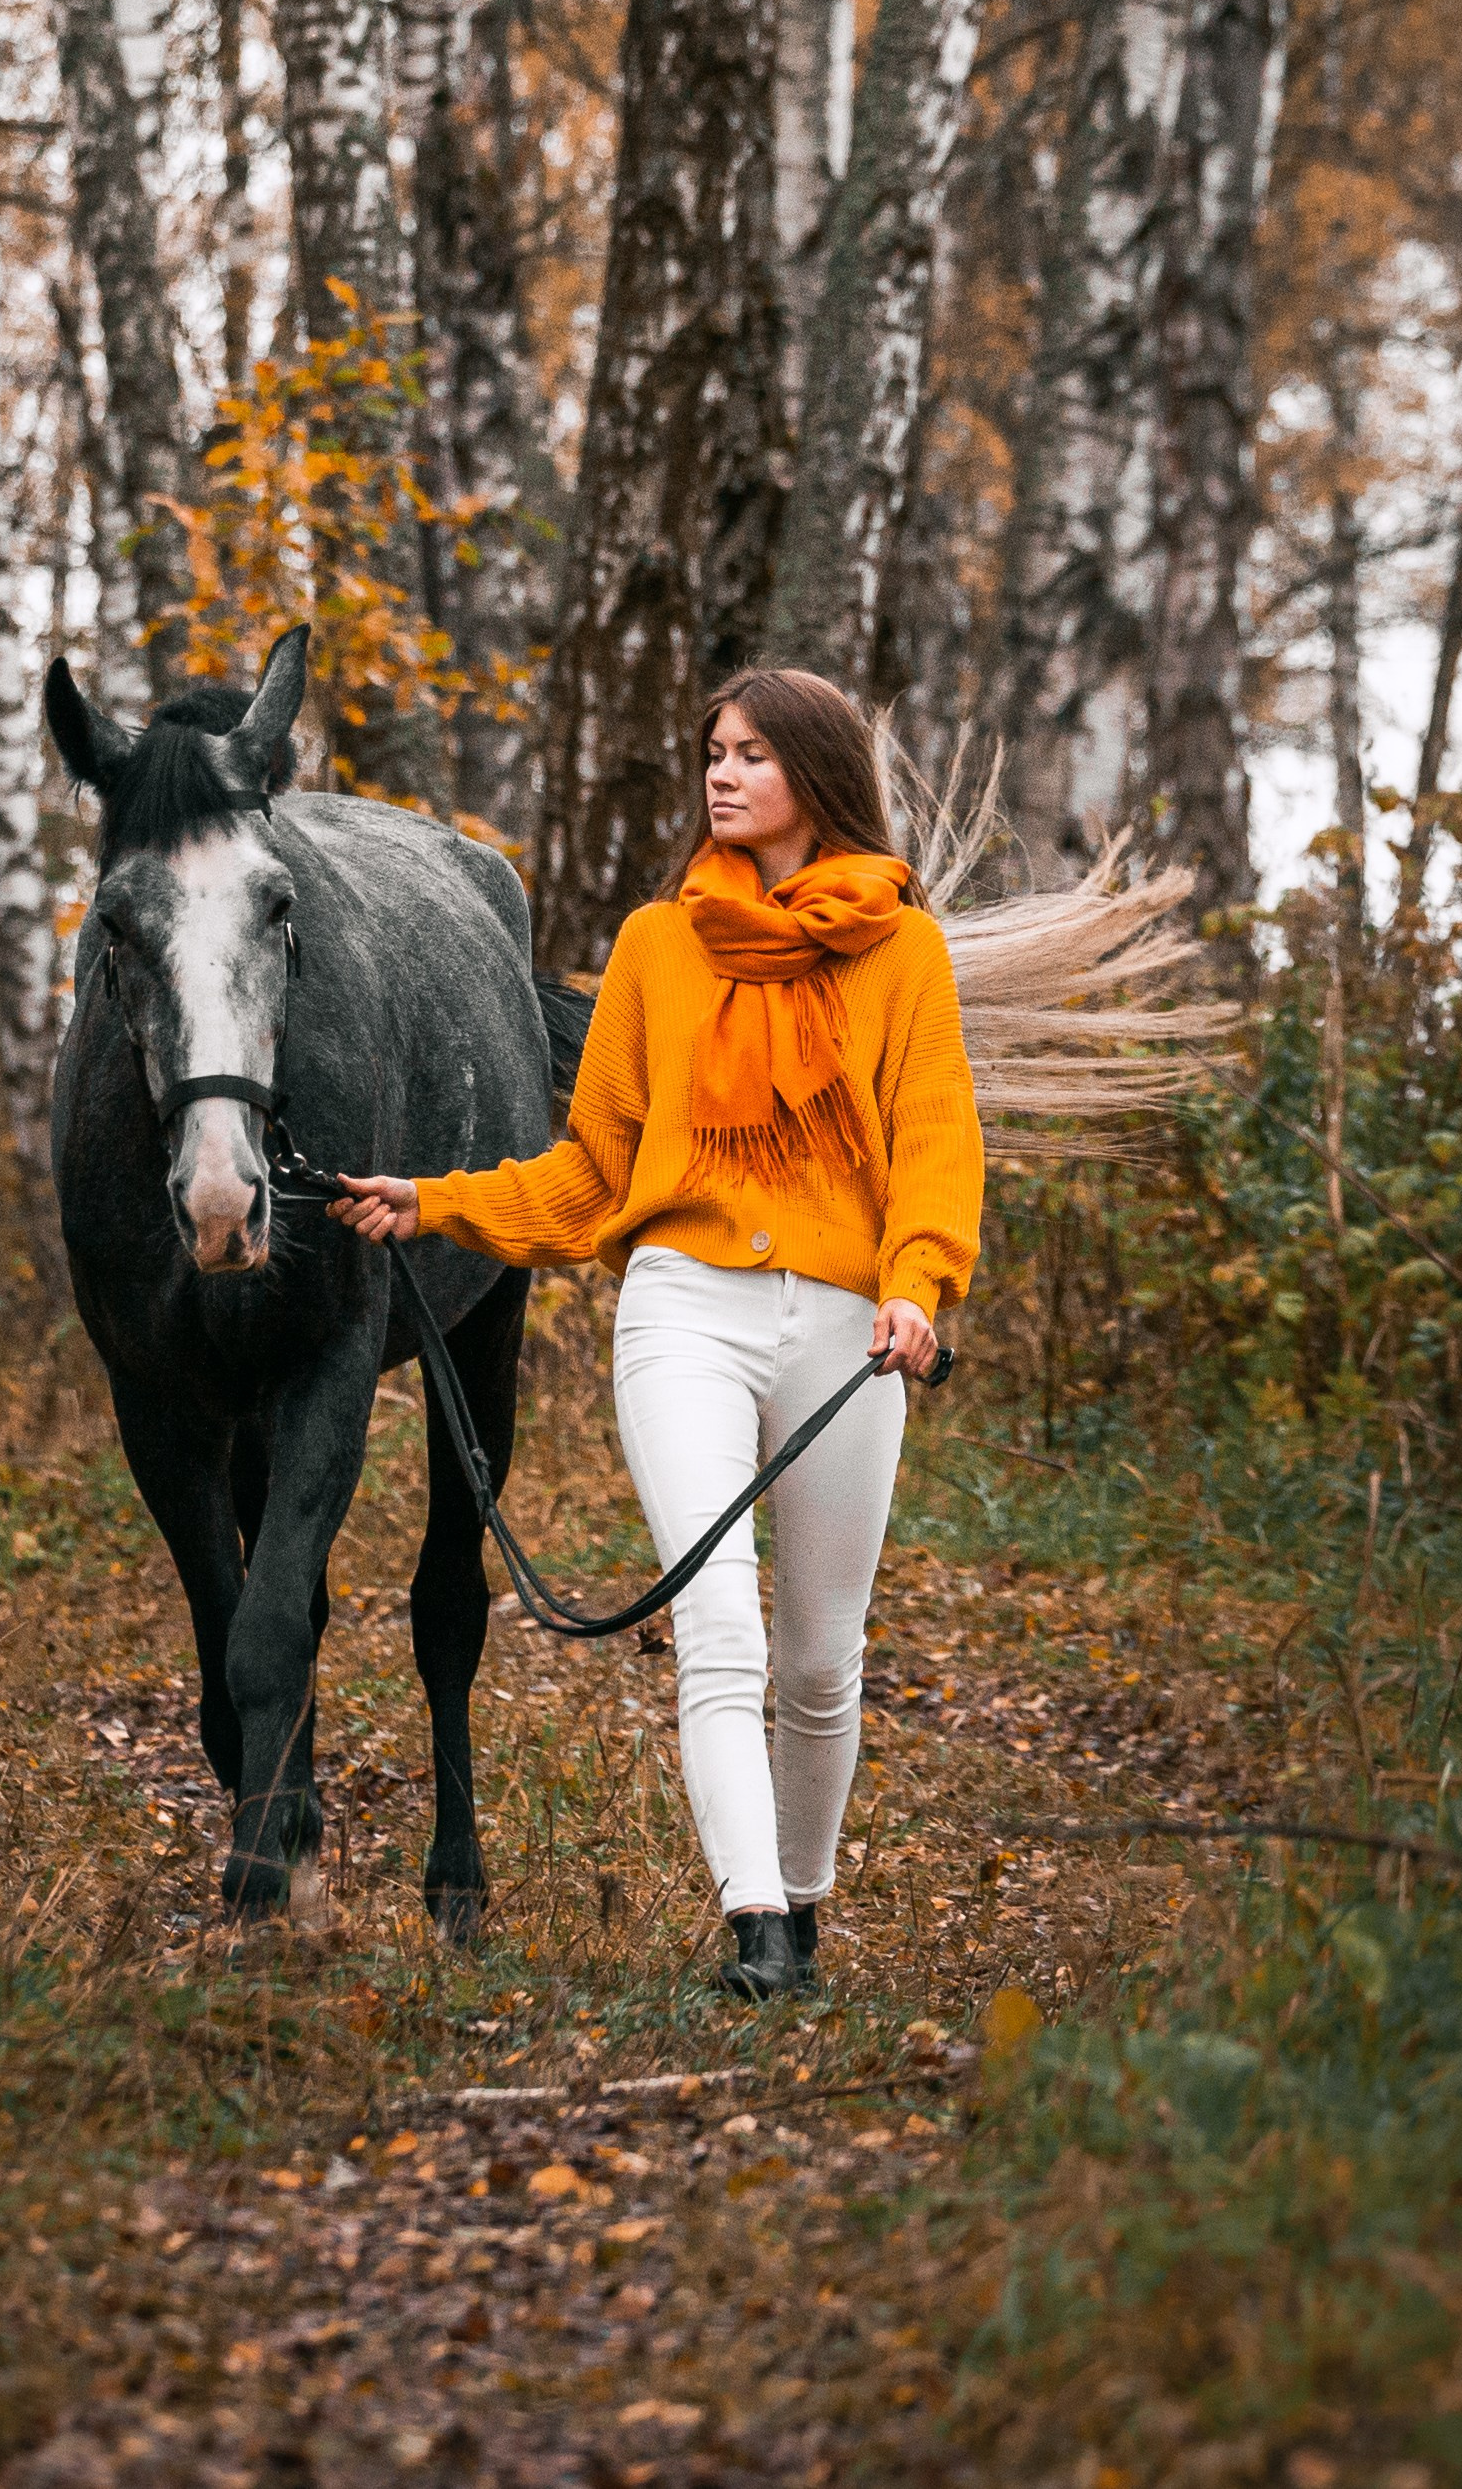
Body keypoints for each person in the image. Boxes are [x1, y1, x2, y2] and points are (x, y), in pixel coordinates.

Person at [331, 668, 985, 2001]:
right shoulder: (657, 946)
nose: (721, 774)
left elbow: (932, 1141)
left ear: (817, 775)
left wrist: (919, 1284)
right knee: (722, 1635)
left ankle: (804, 1904)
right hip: (684, 1308)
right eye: (713, 752)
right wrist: (438, 1202)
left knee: (818, 1660)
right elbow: (592, 1171)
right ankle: (752, 1927)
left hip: (853, 1328)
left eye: (751, 754)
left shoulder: (903, 949)